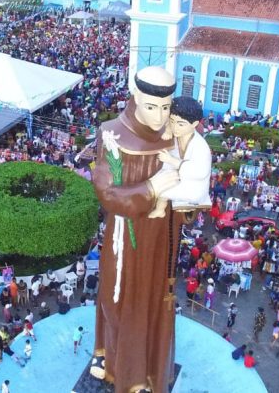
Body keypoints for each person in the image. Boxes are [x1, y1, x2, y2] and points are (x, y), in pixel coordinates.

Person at [91, 66, 190, 392]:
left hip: (161, 241)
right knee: (122, 303)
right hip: (126, 244)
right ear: (136, 98)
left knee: (153, 302)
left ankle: (149, 370)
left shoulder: (178, 134)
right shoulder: (112, 134)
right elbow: (107, 194)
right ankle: (121, 368)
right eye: (151, 106)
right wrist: (151, 187)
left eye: (166, 107)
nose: (160, 117)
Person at [148, 96, 212, 218]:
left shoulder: (200, 147)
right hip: (178, 174)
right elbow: (167, 122)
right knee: (157, 177)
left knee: (160, 190)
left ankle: (160, 210)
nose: (175, 127)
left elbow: (201, 173)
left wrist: (172, 161)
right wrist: (167, 130)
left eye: (181, 124)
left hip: (194, 187)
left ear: (194, 124)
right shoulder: (179, 133)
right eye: (172, 122)